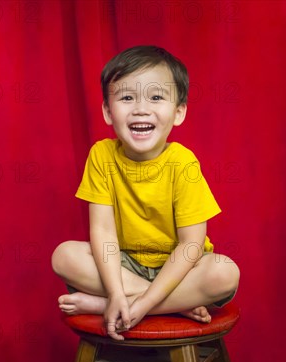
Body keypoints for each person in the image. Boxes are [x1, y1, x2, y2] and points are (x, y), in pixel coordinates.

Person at [52, 45, 240, 341]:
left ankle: (122, 305)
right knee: (64, 256)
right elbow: (103, 233)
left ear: (178, 113)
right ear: (107, 111)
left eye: (156, 97)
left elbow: (191, 245)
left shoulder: (183, 163)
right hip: (123, 264)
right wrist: (115, 291)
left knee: (225, 273)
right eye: (127, 97)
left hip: (180, 269)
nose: (140, 108)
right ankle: (172, 305)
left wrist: (140, 304)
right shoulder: (101, 155)